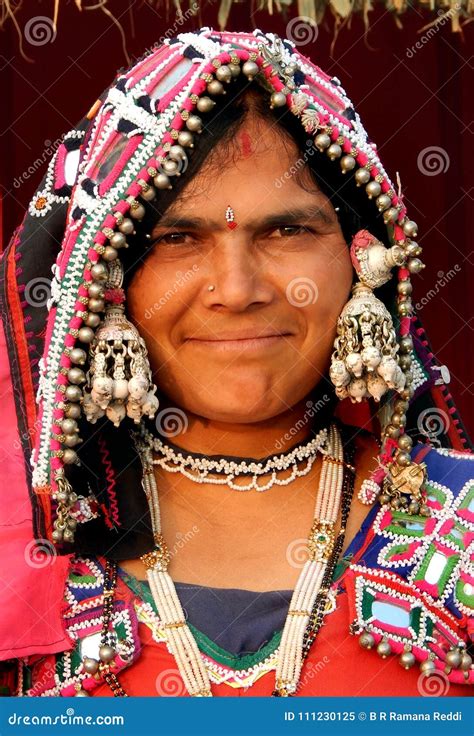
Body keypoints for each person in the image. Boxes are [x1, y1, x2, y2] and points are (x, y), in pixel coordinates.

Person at [0, 27, 472, 698]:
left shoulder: (463, 528)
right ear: (108, 281)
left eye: (287, 230)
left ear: (363, 258)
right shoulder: (26, 553)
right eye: (178, 238)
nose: (238, 290)